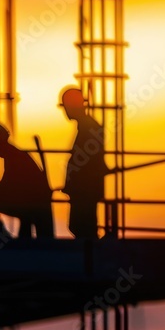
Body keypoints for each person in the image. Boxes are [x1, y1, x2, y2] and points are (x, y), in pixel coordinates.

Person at [0, 122, 53, 238]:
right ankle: (12, 239)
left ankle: (1, 239)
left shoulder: (15, 157)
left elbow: (8, 188)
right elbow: (7, 187)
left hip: (31, 205)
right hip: (31, 203)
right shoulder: (14, 155)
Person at [60, 86, 106, 238]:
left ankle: (90, 255)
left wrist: (73, 182)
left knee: (81, 226)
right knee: (81, 226)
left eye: (66, 107)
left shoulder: (89, 127)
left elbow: (88, 160)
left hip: (85, 189)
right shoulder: (88, 126)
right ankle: (91, 254)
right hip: (84, 188)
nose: (65, 111)